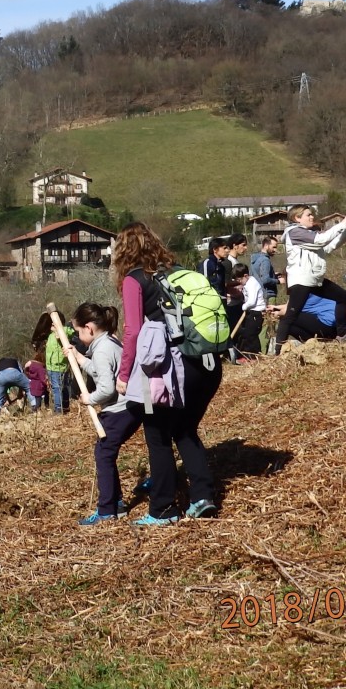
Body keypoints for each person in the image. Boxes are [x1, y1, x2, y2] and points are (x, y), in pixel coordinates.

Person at [113, 222, 218, 525]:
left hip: (170, 369)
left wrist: (123, 374)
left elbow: (132, 331)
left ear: (123, 251)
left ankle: (162, 508)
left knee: (157, 436)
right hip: (206, 362)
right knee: (184, 429)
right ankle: (202, 496)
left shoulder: (135, 280)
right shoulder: (177, 270)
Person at [63, 303, 138, 525]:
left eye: (78, 332)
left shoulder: (103, 349)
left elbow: (107, 388)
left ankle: (106, 510)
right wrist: (79, 358)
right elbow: (100, 369)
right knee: (106, 454)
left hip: (119, 410)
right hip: (128, 407)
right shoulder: (108, 342)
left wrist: (90, 399)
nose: (78, 335)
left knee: (104, 455)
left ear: (89, 328)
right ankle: (117, 503)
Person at [275, 205, 346, 346]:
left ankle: (342, 336)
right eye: (308, 215)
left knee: (343, 298)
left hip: (314, 280)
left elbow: (329, 246)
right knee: (290, 317)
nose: (312, 217)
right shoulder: (295, 232)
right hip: (302, 280)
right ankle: (277, 351)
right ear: (297, 218)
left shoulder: (307, 236)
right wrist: (343, 224)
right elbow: (322, 239)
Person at [268, 295, 337, 342]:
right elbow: (290, 306)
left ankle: (278, 352)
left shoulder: (303, 290)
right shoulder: (309, 287)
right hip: (334, 326)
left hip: (327, 324)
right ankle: (312, 344)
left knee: (286, 318)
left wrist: (277, 313)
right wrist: (274, 308)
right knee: (290, 326)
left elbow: (291, 311)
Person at [231, 263, 265, 359]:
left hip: (256, 312)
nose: (239, 282)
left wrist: (244, 306)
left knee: (251, 335)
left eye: (239, 280)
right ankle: (246, 355)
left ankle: (255, 356)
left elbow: (252, 301)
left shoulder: (252, 284)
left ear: (245, 276)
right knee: (245, 334)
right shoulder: (247, 283)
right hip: (250, 312)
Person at [44, 324, 73, 414]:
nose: (51, 325)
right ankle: (63, 407)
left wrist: (57, 331)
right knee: (58, 388)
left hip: (59, 366)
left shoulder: (63, 331)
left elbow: (67, 335)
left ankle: (59, 409)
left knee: (58, 388)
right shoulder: (50, 335)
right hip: (51, 366)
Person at [250, 236, 281, 302]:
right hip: (268, 295)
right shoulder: (265, 260)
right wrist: (278, 281)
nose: (275, 250)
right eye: (274, 247)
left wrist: (273, 275)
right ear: (266, 245)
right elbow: (265, 280)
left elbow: (258, 275)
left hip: (258, 294)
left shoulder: (255, 259)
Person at [23, 349, 47, 413]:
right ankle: (36, 411)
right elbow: (42, 379)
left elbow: (28, 374)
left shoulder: (31, 367)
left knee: (36, 399)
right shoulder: (40, 367)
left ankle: (35, 411)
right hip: (39, 386)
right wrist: (47, 384)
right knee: (38, 401)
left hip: (33, 385)